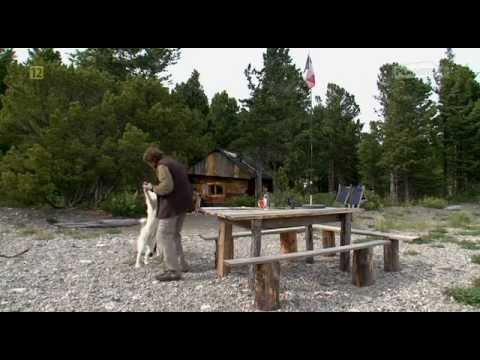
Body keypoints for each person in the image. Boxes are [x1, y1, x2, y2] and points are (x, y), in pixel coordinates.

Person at [143, 145, 193, 282]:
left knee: (163, 235)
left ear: (152, 159)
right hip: (183, 203)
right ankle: (181, 265)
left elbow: (167, 187)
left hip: (173, 204)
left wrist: (152, 187)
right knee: (174, 235)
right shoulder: (173, 162)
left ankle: (172, 270)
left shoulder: (162, 166)